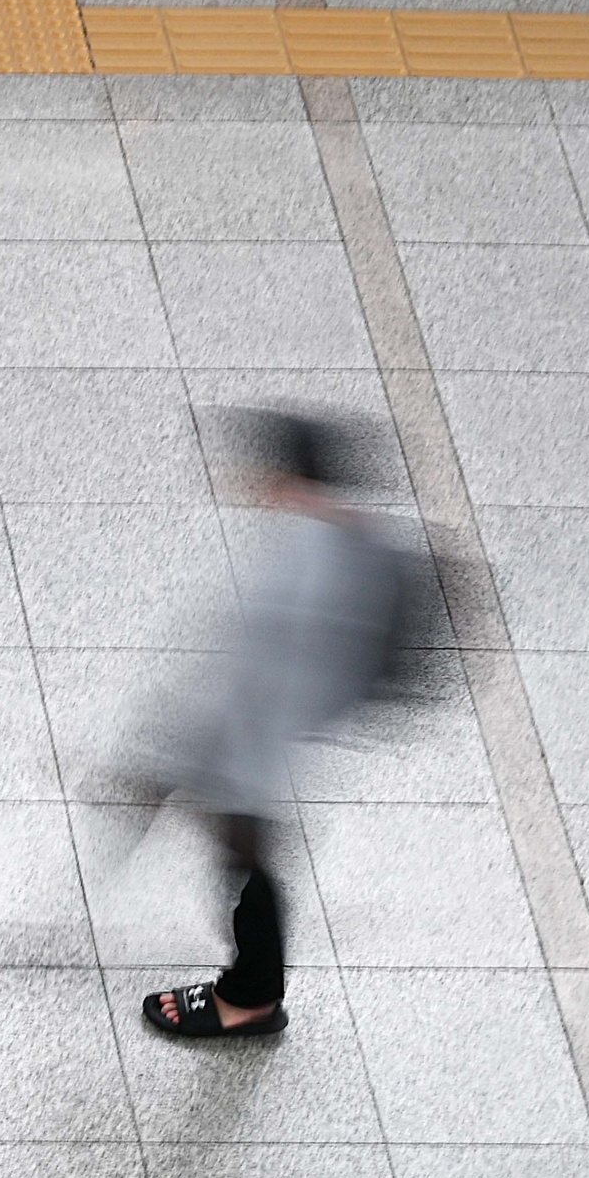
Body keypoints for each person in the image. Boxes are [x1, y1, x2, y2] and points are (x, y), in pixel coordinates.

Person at [135, 409, 410, 1042]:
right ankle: (252, 988)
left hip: (256, 752)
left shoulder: (308, 564)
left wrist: (205, 756)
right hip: (268, 743)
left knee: (248, 862)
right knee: (244, 858)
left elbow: (265, 670)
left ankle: (251, 998)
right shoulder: (341, 541)